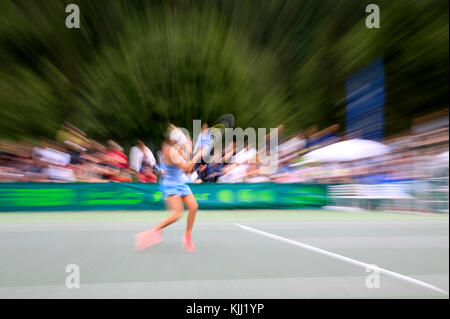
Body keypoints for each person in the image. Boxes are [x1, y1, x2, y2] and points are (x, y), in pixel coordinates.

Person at [135, 125, 202, 252]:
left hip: (180, 183)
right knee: (178, 214)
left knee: (194, 207)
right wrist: (197, 155)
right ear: (174, 142)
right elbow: (187, 168)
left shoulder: (174, 148)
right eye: (180, 143)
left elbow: (186, 171)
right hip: (171, 185)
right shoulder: (171, 152)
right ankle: (153, 231)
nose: (182, 145)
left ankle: (187, 236)